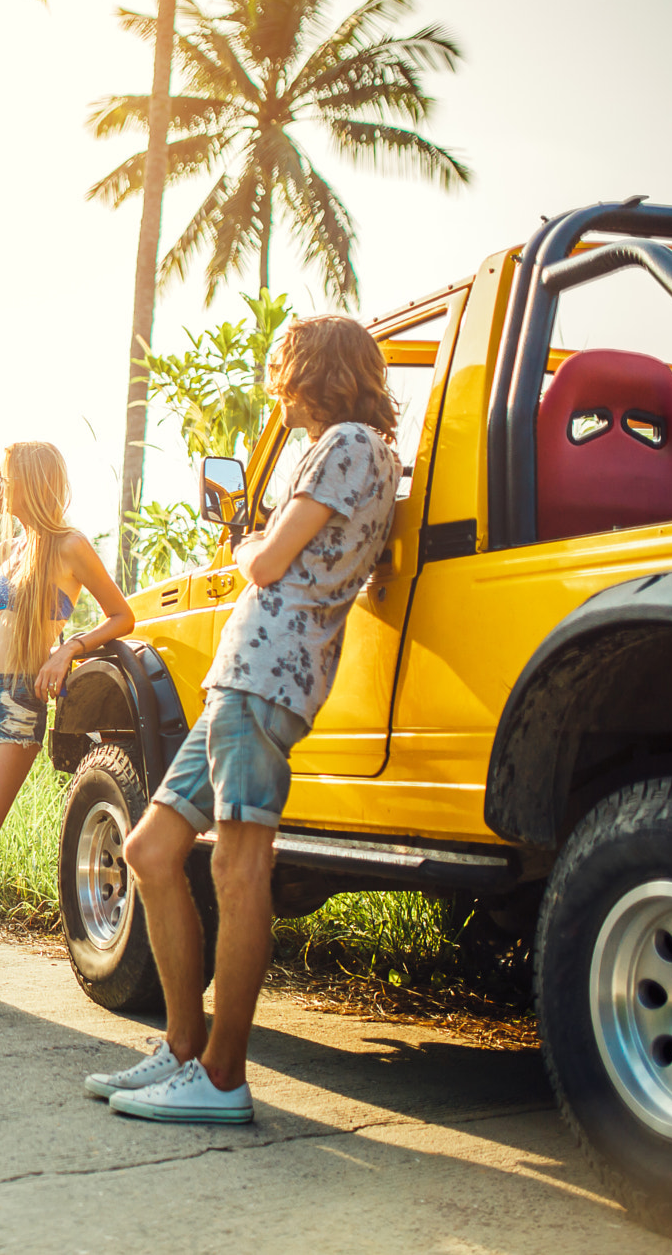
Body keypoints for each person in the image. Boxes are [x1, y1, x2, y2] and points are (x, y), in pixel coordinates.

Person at [89, 315, 400, 1124]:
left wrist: (247, 542)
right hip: (243, 679)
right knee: (151, 848)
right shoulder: (362, 448)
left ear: (315, 373)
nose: (279, 386)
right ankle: (183, 1046)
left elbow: (266, 561)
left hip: (269, 678)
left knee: (238, 870)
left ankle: (224, 1076)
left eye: (285, 369)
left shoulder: (349, 444)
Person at [0, 441, 134, 1004]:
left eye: (4, 477)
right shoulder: (9, 549)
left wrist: (69, 650)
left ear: (31, 480)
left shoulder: (70, 546)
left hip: (18, 698)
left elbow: (123, 614)